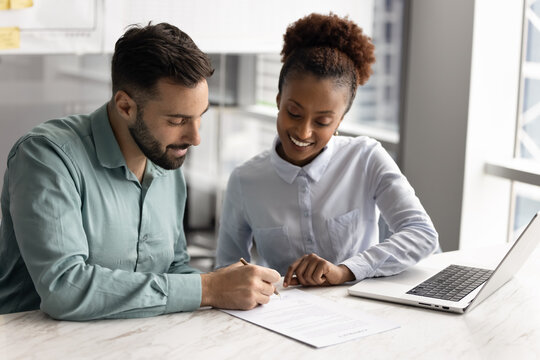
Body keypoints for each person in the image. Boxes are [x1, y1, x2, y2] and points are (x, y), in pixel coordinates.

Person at [0, 23, 280, 320]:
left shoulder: (163, 155)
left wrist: (227, 285)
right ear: (125, 106)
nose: (195, 138)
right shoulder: (46, 156)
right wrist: (207, 288)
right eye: (177, 120)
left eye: (200, 117)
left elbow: (172, 268)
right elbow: (65, 289)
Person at [215, 13, 439, 287]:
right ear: (278, 100)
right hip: (282, 318)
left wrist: (345, 270)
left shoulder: (366, 158)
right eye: (294, 113)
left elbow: (422, 234)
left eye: (322, 121)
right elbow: (225, 270)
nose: (303, 132)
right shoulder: (245, 180)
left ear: (340, 120)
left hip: (362, 312)